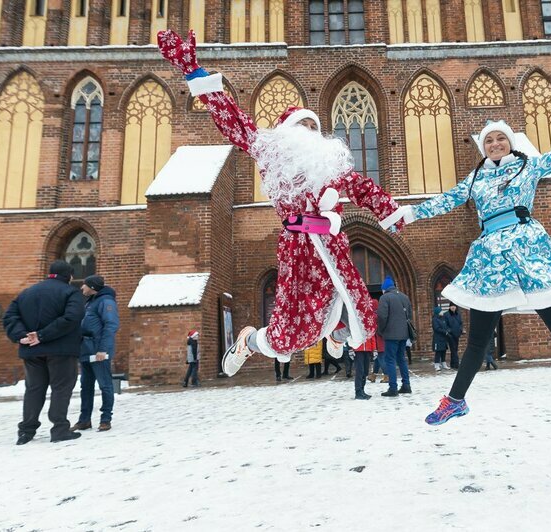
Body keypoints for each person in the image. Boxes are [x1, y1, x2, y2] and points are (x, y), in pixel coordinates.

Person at [381, 100, 551, 437]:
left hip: (528, 251)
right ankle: (455, 400)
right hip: (490, 259)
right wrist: (406, 216)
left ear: (510, 142)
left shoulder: (531, 166)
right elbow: (446, 199)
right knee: (479, 339)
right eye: (489, 141)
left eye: (500, 138)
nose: (495, 144)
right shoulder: (476, 177)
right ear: (483, 148)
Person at [157, 30, 405, 377]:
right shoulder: (270, 151)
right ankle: (250, 340)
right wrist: (193, 70)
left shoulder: (331, 164)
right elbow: (231, 119)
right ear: (286, 131)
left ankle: (338, 331)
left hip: (332, 241)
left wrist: (389, 211)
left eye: (313, 125)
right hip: (297, 245)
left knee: (361, 305)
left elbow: (363, 186)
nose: (308, 129)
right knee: (289, 335)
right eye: (301, 124)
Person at [3, 260, 85, 444]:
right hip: (61, 350)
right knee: (61, 388)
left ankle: (26, 431)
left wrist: (21, 336)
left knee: (33, 389)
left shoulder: (26, 292)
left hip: (31, 351)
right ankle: (59, 430)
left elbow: (10, 316)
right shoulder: (71, 292)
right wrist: (42, 335)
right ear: (69, 276)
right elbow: (72, 317)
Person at [71, 275, 120, 433]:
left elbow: (111, 325)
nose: (81, 287)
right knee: (86, 386)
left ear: (92, 286)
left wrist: (103, 349)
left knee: (105, 385)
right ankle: (84, 420)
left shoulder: (106, 301)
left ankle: (106, 419)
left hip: (98, 351)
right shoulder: (91, 301)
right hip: (86, 350)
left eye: (84, 285)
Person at [376, 276, 413, 397]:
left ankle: (393, 387)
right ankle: (406, 385)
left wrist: (381, 330)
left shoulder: (385, 298)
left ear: (384, 288)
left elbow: (382, 317)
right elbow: (410, 315)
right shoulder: (405, 297)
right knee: (401, 359)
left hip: (391, 334)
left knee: (390, 360)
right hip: (403, 334)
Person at [352, 301, 385, 399]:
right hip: (358, 348)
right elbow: (351, 334)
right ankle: (358, 391)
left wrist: (374, 348)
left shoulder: (369, 319)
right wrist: (351, 348)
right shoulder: (354, 319)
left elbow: (372, 335)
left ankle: (362, 389)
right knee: (360, 371)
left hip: (367, 348)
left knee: (365, 371)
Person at [444, 303, 463, 368]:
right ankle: (456, 364)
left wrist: (460, 330)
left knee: (455, 349)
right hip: (450, 335)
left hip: (457, 334)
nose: (453, 307)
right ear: (449, 307)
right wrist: (449, 331)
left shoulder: (458, 314)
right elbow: (445, 325)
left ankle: (452, 364)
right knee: (453, 349)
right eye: (452, 306)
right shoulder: (446, 314)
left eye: (454, 306)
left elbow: (460, 323)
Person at [432, 306, 450, 371]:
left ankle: (444, 364)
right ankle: (436, 365)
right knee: (438, 351)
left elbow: (446, 326)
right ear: (438, 312)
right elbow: (436, 328)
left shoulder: (443, 319)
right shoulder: (435, 319)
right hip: (438, 338)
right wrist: (444, 331)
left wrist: (448, 330)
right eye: (441, 311)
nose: (442, 312)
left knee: (443, 351)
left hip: (444, 338)